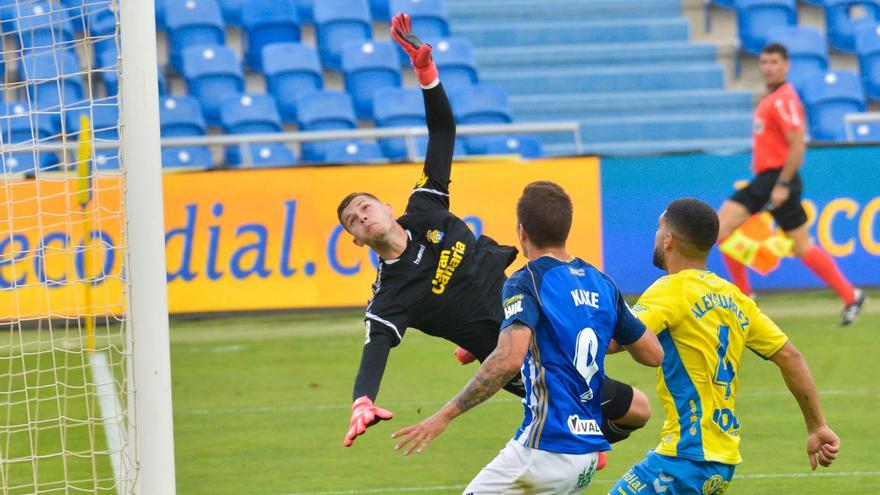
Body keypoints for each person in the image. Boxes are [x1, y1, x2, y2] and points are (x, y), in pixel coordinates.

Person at [340, 15, 652, 456]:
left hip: (536, 303)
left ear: (387, 208)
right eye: (353, 220)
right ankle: (586, 438)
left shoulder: (425, 208)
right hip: (517, 358)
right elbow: (375, 348)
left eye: (365, 206)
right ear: (356, 240)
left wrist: (427, 74)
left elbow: (443, 132)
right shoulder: (390, 294)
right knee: (636, 409)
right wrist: (362, 400)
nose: (362, 216)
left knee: (623, 350)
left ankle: (588, 436)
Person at [392, 181, 664, 494]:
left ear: (522, 231)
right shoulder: (602, 283)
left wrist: (444, 416)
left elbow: (509, 359)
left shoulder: (526, 281)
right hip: (586, 452)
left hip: (544, 448)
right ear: (567, 229)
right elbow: (652, 354)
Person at [609, 198, 841, 495]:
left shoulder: (668, 291)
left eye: (658, 230)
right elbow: (790, 355)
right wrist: (817, 426)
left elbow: (618, 341)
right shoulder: (735, 297)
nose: (655, 236)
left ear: (668, 240)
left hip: (687, 455)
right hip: (722, 458)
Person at [717, 42, 865, 326]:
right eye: (763, 62)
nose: (767, 67)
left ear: (786, 66)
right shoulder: (772, 98)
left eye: (773, 62)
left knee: (720, 228)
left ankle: (745, 297)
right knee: (801, 246)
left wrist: (782, 184)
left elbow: (798, 143)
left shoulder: (783, 99)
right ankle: (851, 295)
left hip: (776, 179)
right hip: (769, 178)